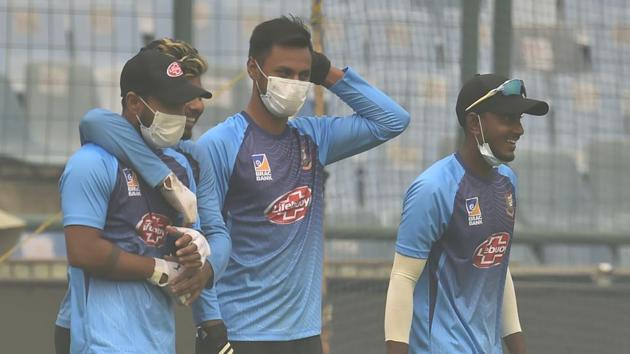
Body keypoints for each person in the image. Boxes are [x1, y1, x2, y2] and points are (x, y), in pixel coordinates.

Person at [78, 15, 410, 354]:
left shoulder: (314, 138)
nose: (294, 84)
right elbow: (204, 237)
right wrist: (211, 327)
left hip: (306, 335)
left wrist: (325, 71)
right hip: (243, 333)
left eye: (303, 76)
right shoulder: (220, 145)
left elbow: (392, 120)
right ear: (253, 70)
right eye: (283, 73)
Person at [54, 38, 214, 354]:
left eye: (180, 103)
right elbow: (83, 251)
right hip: (100, 342)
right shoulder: (91, 163)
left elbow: (175, 245)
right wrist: (156, 270)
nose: (179, 113)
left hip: (159, 340)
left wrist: (194, 251)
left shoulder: (180, 165)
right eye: (167, 104)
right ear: (134, 103)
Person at [383, 74, 549, 354]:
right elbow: (402, 278)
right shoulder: (433, 188)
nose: (519, 129)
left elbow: (498, 269)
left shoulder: (507, 181)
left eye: (519, 118)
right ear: (475, 124)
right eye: (507, 118)